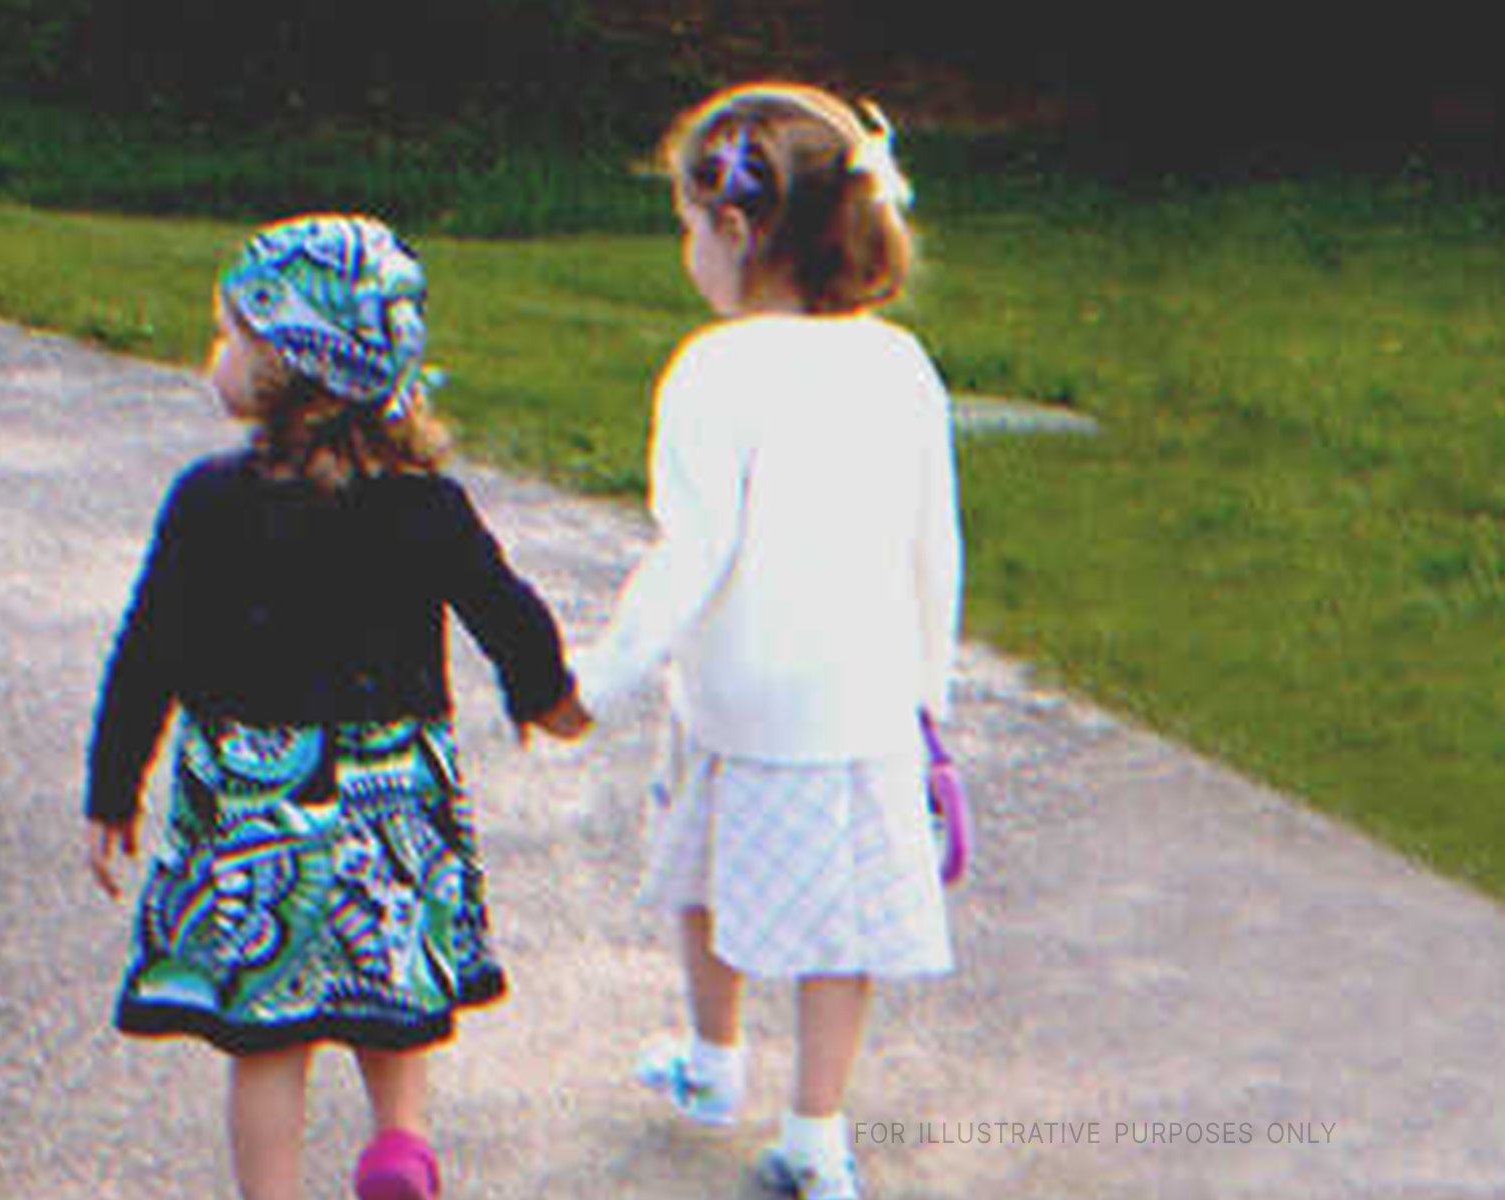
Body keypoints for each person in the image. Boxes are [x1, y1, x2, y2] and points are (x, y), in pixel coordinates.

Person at [85, 213, 588, 1200]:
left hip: (251, 807)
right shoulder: (423, 504)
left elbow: (150, 651)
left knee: (266, 1041)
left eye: (232, 335)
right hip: (386, 801)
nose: (216, 355)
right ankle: (401, 1145)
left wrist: (114, 789)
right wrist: (548, 695)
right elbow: (505, 609)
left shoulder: (209, 500)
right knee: (388, 989)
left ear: (289, 367)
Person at [565, 83, 962, 1200]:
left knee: (705, 876)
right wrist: (929, 696)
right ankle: (816, 1135)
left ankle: (712, 1061)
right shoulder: (901, 366)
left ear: (736, 228)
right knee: (837, 934)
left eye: (690, 227)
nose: (688, 250)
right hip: (865, 708)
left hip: (735, 705)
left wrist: (595, 681)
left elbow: (687, 556)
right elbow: (938, 547)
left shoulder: (714, 371)